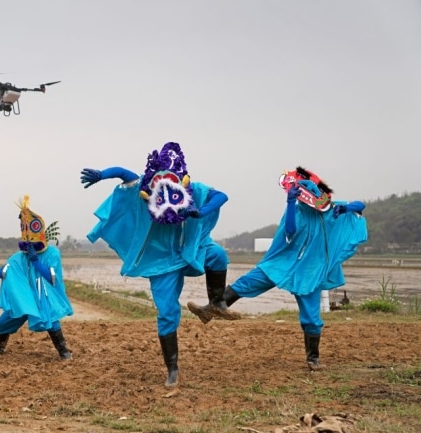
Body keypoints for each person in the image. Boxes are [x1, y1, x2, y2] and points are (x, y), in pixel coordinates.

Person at [80, 141, 236, 390]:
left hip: (192, 247)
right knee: (167, 312)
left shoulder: (191, 188)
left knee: (217, 254)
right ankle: (172, 369)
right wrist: (102, 174)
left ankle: (215, 303)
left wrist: (200, 211)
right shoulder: (143, 188)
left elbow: (221, 196)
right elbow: (123, 173)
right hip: (161, 261)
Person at [188, 166, 368, 370]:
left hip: (310, 270)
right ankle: (212, 308)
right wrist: (290, 203)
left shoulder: (333, 209)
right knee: (247, 282)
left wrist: (347, 208)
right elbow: (289, 230)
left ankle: (313, 359)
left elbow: (361, 204)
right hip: (283, 263)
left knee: (311, 316)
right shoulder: (297, 210)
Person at [0, 195, 74, 360]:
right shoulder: (20, 256)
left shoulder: (52, 253)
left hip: (43, 297)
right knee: (2, 323)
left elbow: (52, 278)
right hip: (23, 297)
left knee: (50, 320)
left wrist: (36, 262)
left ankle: (64, 352)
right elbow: (4, 270)